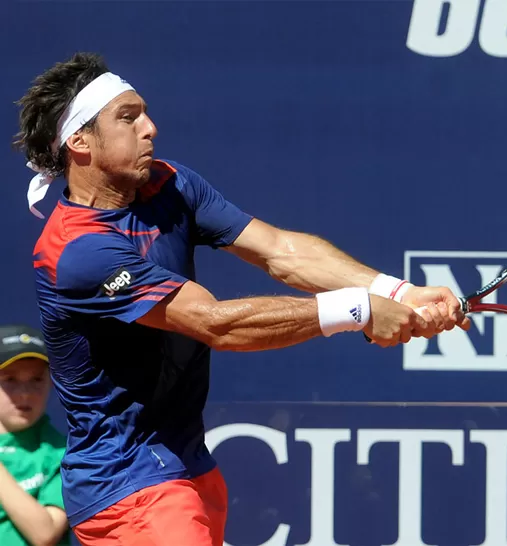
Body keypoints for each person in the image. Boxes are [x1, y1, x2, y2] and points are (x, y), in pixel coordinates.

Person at [14, 52, 471, 546]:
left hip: (188, 469)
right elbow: (215, 323)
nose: (151, 127)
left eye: (144, 112)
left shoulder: (171, 184)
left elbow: (281, 251)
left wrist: (396, 291)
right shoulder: (78, 250)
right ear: (79, 142)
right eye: (127, 118)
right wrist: (357, 309)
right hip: (128, 489)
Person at [0, 325, 70, 546]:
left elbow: (45, 534)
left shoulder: (66, 454)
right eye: (10, 380)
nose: (25, 393)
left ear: (51, 382)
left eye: (37, 380)